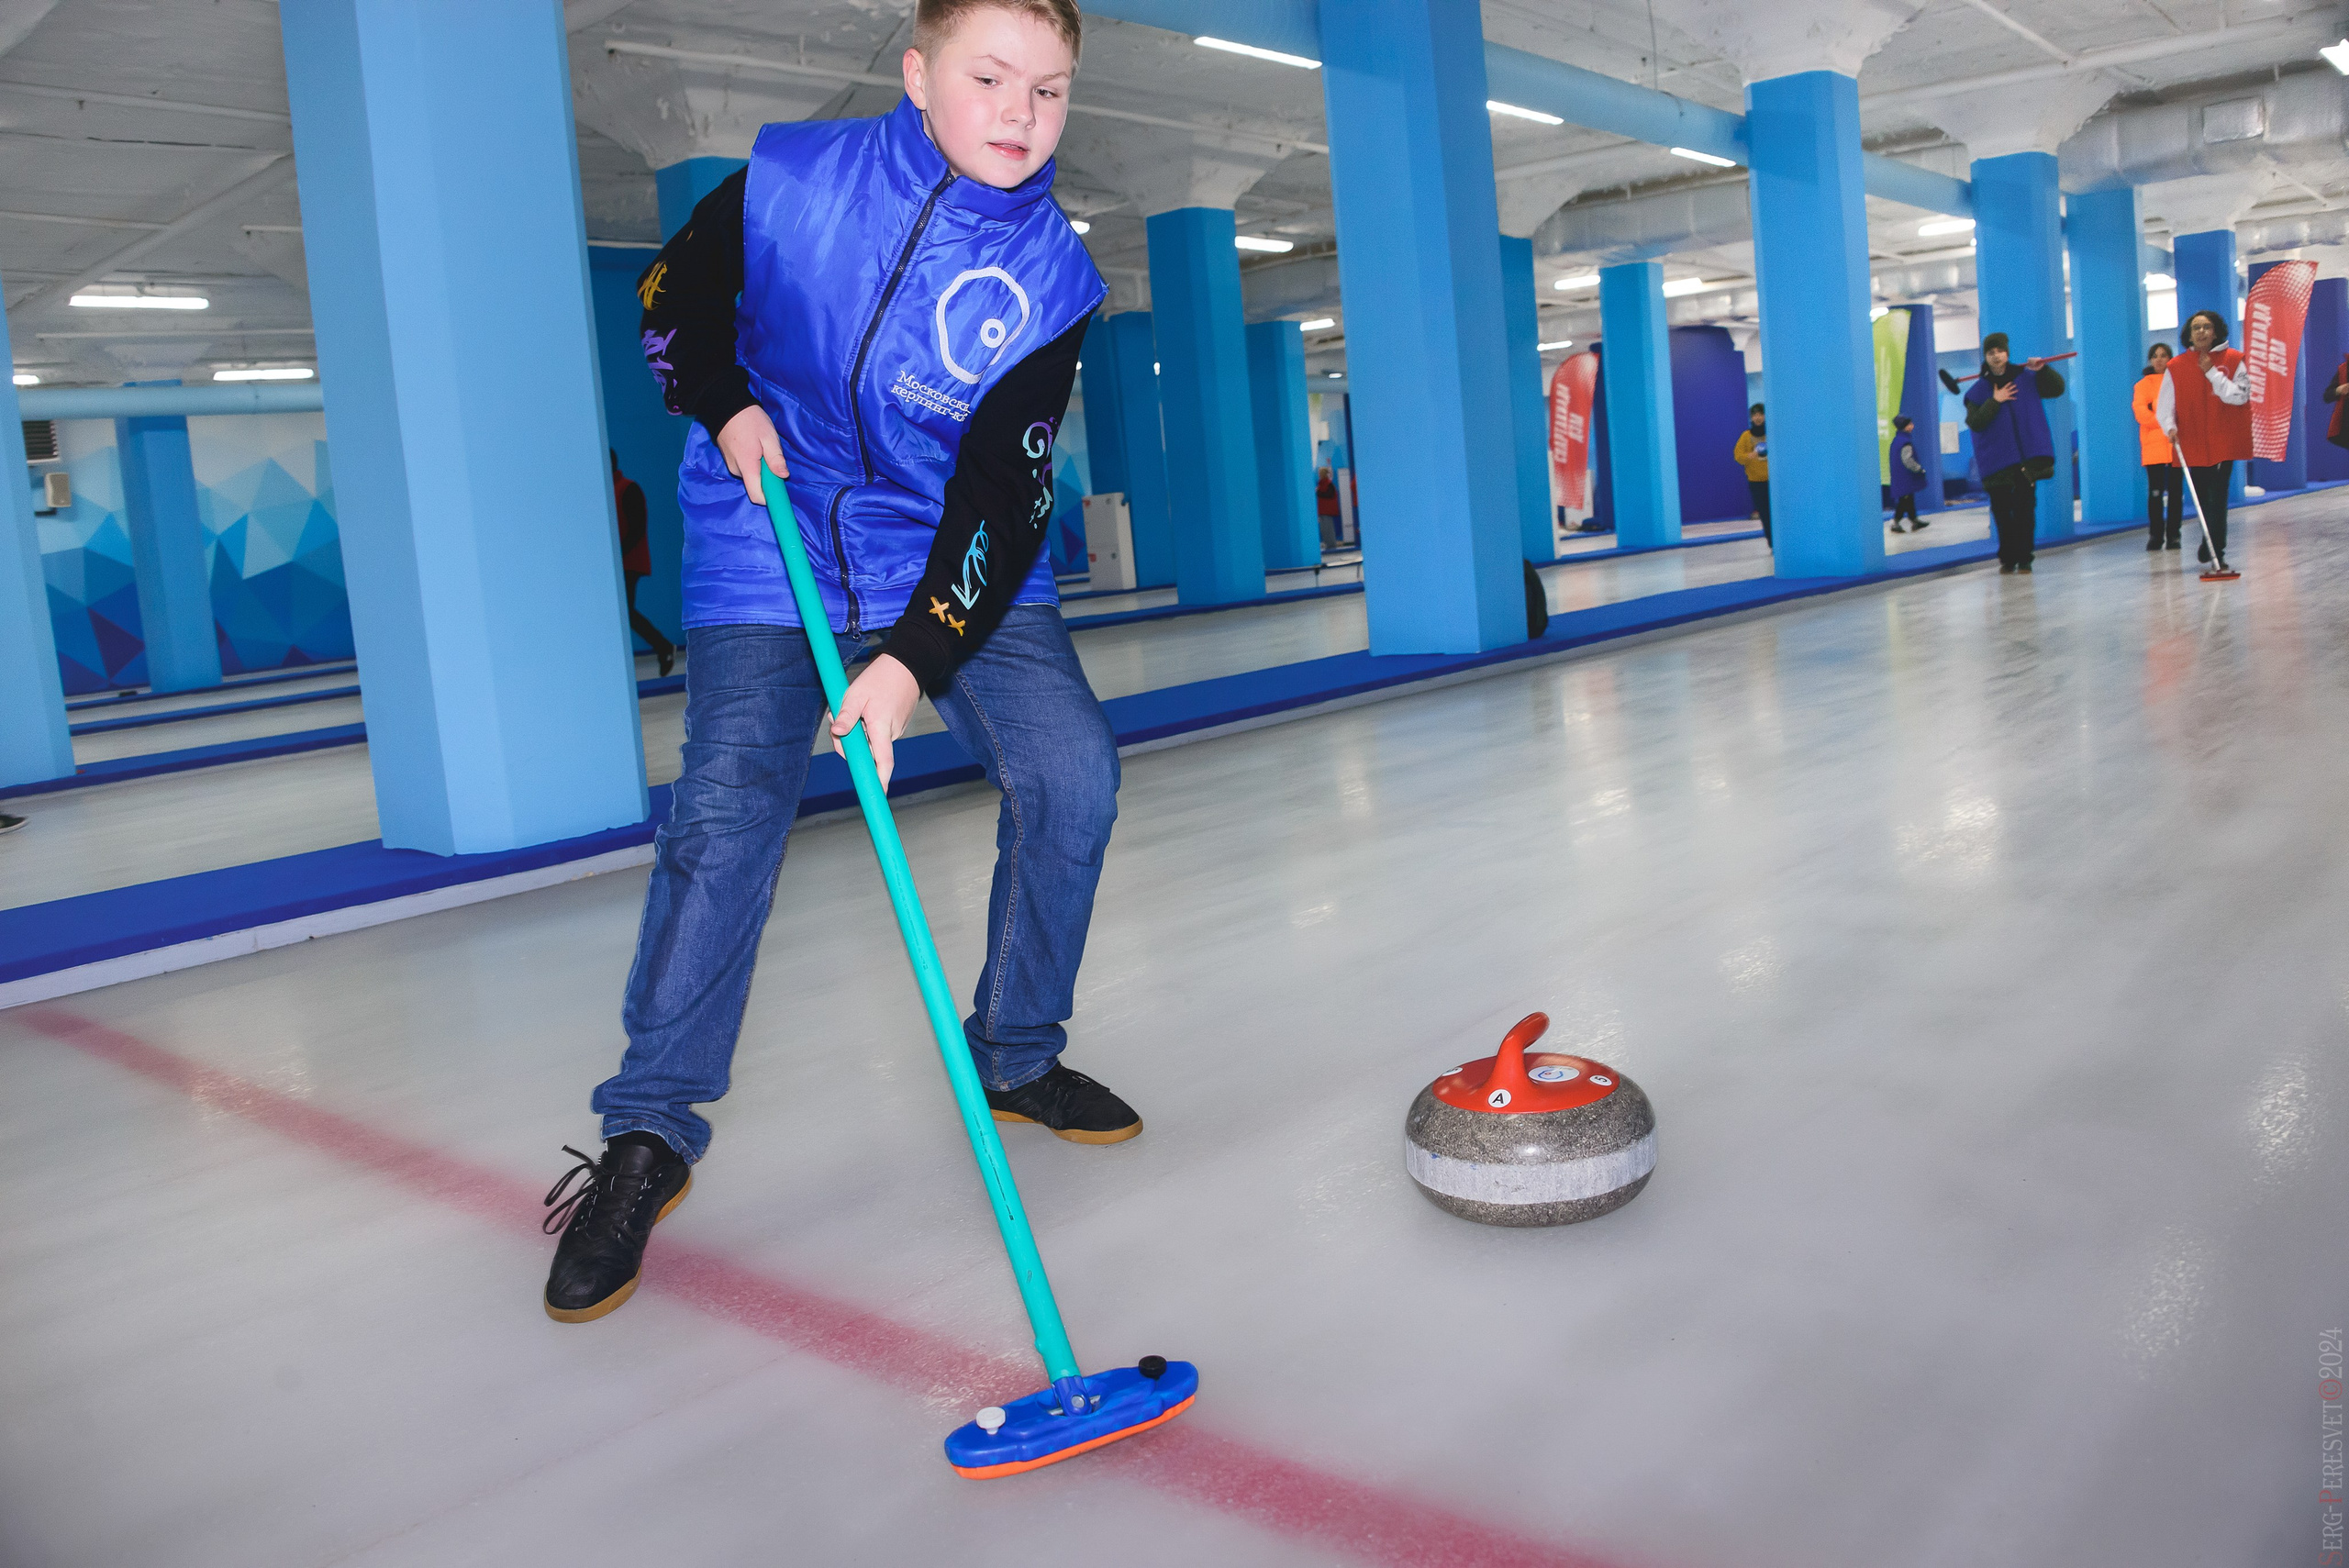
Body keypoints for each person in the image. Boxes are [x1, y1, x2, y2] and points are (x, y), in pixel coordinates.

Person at [544, 0, 1135, 1327]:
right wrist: (724, 398)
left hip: (948, 554)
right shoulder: (795, 182)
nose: (1019, 114)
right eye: (990, 76)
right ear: (920, 73)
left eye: (1049, 92)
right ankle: (647, 1135)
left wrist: (919, 656)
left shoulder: (1054, 280)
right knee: (727, 806)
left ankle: (1015, 1052)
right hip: (772, 531)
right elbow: (673, 297)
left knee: (1073, 775)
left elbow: (1008, 494)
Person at [2155, 308, 2252, 571]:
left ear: (2216, 331)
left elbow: (2239, 396)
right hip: (2192, 442)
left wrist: (2212, 373)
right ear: (2189, 333)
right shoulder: (2175, 367)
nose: (2201, 332)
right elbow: (2165, 407)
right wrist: (2170, 427)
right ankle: (2208, 543)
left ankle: (2216, 551)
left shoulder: (2233, 360)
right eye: (2196, 327)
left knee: (2217, 497)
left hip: (2223, 441)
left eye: (2206, 327)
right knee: (2202, 498)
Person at [1963, 331, 2065, 574]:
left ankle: (2025, 558)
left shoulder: (2026, 379)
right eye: (1990, 352)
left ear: (2007, 353)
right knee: (2002, 513)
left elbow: (2056, 389)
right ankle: (2007, 558)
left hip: (2025, 460)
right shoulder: (1978, 392)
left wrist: (2043, 370)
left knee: (2025, 510)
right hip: (1996, 463)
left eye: (1999, 351)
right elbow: (1975, 423)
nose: (1996, 356)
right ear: (1986, 357)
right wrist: (1995, 401)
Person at [612, 449, 676, 677]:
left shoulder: (628, 488)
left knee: (626, 611)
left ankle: (663, 646)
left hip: (629, 562)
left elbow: (637, 527)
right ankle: (662, 646)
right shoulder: (609, 491)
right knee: (623, 611)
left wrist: (617, 555)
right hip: (620, 562)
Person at [2132, 343, 2183, 551]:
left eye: (2163, 355)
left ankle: (2174, 535)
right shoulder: (2142, 385)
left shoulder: (2179, 382)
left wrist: (2170, 422)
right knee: (2155, 494)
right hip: (2153, 446)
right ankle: (2155, 535)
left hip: (2175, 445)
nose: (2159, 359)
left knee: (2175, 493)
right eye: (2155, 356)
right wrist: (2164, 421)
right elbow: (2141, 412)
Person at [1733, 403, 1770, 546]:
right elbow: (1738, 456)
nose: (1758, 417)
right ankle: (1772, 543)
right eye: (1755, 415)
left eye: (1761, 414)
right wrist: (1750, 456)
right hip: (1756, 482)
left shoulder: (1771, 433)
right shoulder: (1746, 436)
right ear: (1751, 418)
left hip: (1773, 482)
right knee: (1765, 514)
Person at [1887, 415, 1930, 533]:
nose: (1912, 426)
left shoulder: (1897, 441)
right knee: (1904, 500)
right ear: (1905, 426)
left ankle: (1914, 520)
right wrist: (1919, 469)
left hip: (1900, 477)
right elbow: (1907, 460)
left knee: (1908, 498)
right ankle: (1895, 522)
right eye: (1910, 424)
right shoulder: (1905, 443)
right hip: (1905, 477)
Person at [1315, 464, 1340, 548]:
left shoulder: (1329, 484)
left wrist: (1318, 492)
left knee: (1328, 529)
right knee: (1324, 529)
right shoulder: (1321, 484)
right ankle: (1328, 544)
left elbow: (1329, 495)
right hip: (1322, 510)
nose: (1319, 475)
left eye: (1320, 473)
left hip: (1327, 511)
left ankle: (1331, 545)